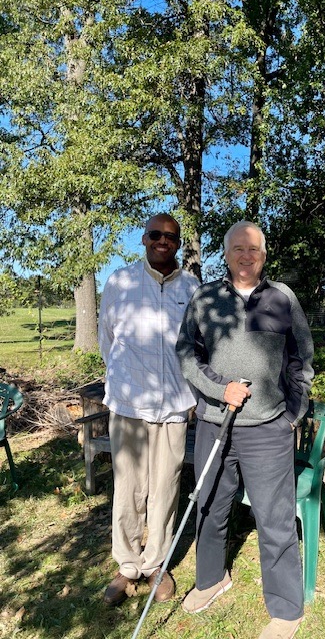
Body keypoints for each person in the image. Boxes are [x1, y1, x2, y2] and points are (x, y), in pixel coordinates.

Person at [176, 220, 314, 639]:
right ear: (226, 253)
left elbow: (301, 358)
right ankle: (212, 579)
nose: (245, 255)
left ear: (264, 254)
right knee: (210, 507)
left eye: (253, 249)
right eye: (238, 248)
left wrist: (293, 413)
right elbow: (186, 353)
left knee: (274, 518)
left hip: (268, 428)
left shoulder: (282, 297)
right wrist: (219, 390)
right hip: (216, 425)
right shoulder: (205, 297)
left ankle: (287, 608)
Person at [98, 213, 199, 606]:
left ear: (177, 243)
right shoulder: (120, 282)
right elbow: (108, 339)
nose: (162, 241)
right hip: (129, 402)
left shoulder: (191, 287)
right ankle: (126, 566)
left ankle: (156, 561)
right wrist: (124, 379)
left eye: (170, 237)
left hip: (174, 404)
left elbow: (197, 345)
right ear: (143, 239)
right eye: (155, 235)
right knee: (127, 488)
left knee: (166, 486)